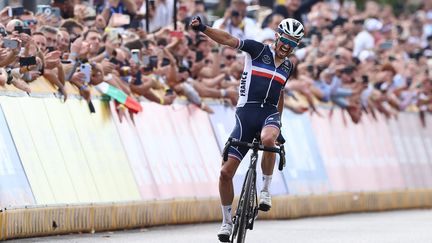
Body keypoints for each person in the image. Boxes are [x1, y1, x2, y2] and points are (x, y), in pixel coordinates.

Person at [190, 16, 304, 242]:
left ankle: (265, 190)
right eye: (285, 40)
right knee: (224, 173)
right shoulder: (257, 50)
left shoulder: (289, 66)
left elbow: (279, 93)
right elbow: (228, 39)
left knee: (269, 140)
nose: (286, 46)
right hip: (246, 115)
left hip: (269, 114)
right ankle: (226, 221)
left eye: (292, 43)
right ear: (277, 36)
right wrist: (203, 28)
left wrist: (278, 124)